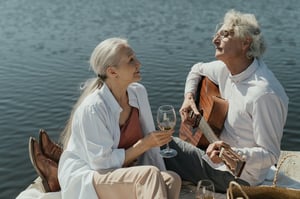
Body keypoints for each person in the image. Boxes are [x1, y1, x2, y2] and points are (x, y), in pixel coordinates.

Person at [29, 37, 181, 199]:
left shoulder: (138, 93)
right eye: (131, 60)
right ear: (112, 72)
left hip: (121, 172)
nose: (139, 63)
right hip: (91, 175)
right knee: (149, 175)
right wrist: (144, 144)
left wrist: (154, 145)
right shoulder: (93, 108)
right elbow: (101, 164)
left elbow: (149, 148)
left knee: (172, 179)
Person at [164, 9, 289, 193]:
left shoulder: (263, 94)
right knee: (157, 143)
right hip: (216, 159)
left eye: (224, 35)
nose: (215, 40)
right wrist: (189, 97)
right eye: (217, 34)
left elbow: (271, 154)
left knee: (161, 146)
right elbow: (197, 69)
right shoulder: (226, 69)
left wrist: (229, 152)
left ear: (246, 42)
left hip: (240, 177)